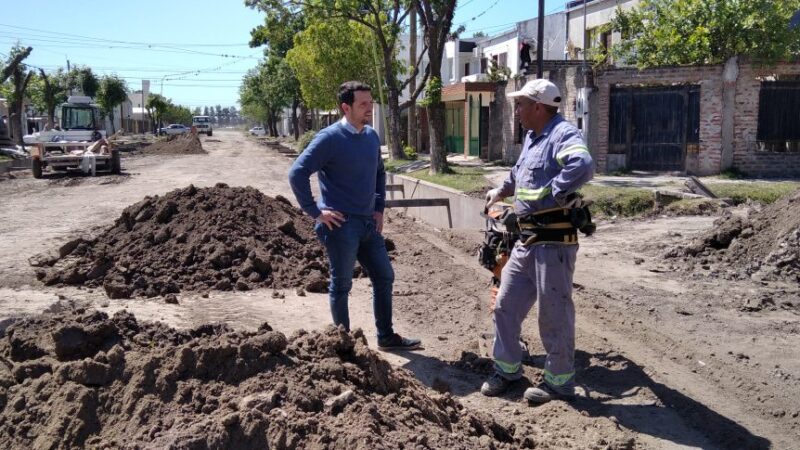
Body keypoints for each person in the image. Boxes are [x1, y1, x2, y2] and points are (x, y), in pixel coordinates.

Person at [481, 79, 593, 403]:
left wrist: (555, 191)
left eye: (521, 105)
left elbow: (583, 165)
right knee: (505, 306)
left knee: (553, 314)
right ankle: (507, 370)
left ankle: (559, 383)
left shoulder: (562, 134)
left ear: (539, 107)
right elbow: (518, 176)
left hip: (554, 243)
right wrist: (500, 192)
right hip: (527, 241)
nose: (517, 111)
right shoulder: (532, 137)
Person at [288, 81, 421, 351]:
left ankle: (385, 337)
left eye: (370, 103)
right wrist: (316, 212)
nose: (369, 108)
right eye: (363, 104)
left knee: (384, 276)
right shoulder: (329, 139)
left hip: (368, 224)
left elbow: (379, 173)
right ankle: (345, 345)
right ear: (345, 107)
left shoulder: (371, 136)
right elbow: (297, 173)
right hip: (340, 225)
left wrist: (379, 208)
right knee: (342, 285)